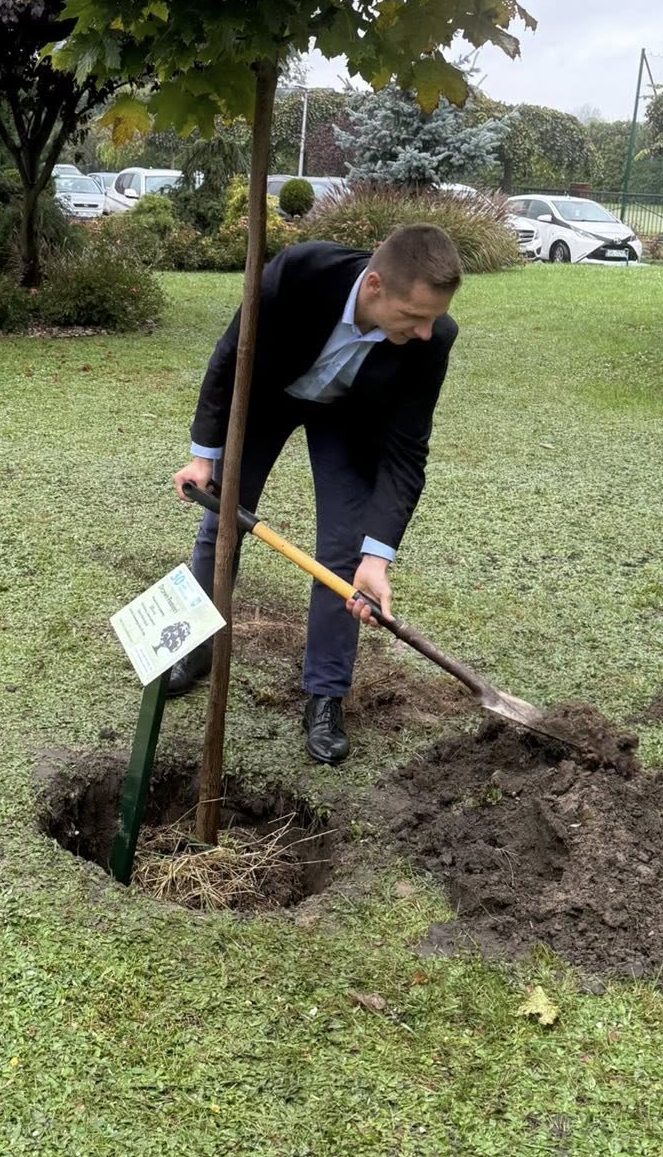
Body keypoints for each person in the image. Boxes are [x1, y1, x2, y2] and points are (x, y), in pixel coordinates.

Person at [170, 224, 462, 765]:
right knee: (221, 525)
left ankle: (325, 695)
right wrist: (203, 457)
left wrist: (378, 558)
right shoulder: (299, 273)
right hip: (269, 397)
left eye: (432, 319)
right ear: (374, 286)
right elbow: (230, 355)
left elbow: (406, 452)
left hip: (347, 418)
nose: (425, 331)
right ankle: (194, 646)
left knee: (345, 553)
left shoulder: (432, 339)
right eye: (413, 316)